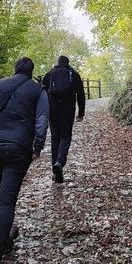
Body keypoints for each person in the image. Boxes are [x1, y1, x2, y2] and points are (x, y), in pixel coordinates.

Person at [0, 56, 48, 264]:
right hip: (18, 148)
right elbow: (42, 120)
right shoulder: (38, 90)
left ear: (15, 69)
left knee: (1, 191)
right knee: (7, 201)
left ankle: (5, 235)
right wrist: (37, 146)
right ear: (31, 71)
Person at [41, 55, 85, 184]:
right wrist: (81, 112)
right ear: (68, 63)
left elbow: (43, 92)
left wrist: (43, 111)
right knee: (65, 136)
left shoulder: (50, 74)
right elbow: (81, 94)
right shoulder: (74, 74)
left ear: (58, 63)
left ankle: (55, 170)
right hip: (67, 108)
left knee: (55, 137)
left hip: (52, 108)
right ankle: (60, 162)